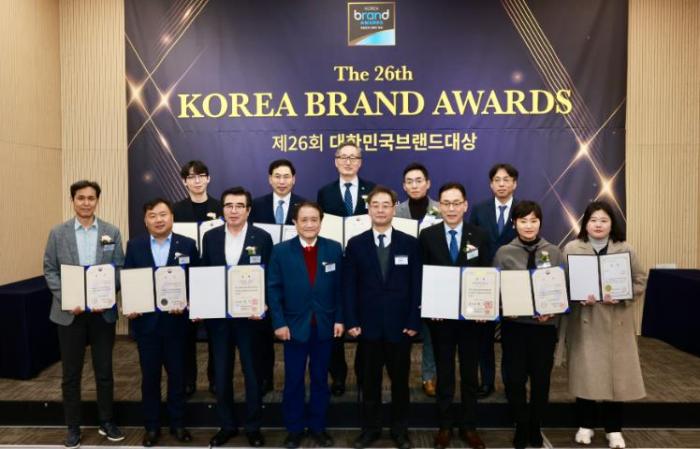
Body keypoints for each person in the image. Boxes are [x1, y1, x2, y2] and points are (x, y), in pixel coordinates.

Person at [43, 180, 126, 448]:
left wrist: (106, 295)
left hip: (102, 313)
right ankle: (73, 426)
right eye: (81, 198)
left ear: (97, 201)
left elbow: (119, 268)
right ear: (73, 200)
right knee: (71, 373)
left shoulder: (111, 232)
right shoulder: (58, 233)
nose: (86, 203)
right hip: (70, 313)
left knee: (104, 370)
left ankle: (106, 421)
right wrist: (68, 299)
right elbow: (50, 270)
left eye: (91, 198)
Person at [563, 201, 647, 449]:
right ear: (585, 223)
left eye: (603, 220)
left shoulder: (625, 249)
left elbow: (640, 280)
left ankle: (614, 429)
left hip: (616, 323)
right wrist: (576, 295)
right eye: (593, 220)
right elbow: (562, 283)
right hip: (585, 321)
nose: (598, 225)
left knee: (616, 377)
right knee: (585, 375)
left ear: (612, 224)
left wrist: (623, 295)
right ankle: (585, 425)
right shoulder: (572, 248)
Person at [344, 186, 421, 449]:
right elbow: (349, 286)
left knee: (400, 383)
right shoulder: (356, 244)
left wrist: (413, 320)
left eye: (385, 205)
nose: (380, 210)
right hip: (368, 327)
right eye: (375, 205)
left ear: (393, 209)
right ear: (368, 209)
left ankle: (400, 430)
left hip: (400, 327)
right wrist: (352, 321)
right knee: (369, 383)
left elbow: (416, 285)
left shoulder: (410, 243)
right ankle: (370, 429)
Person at [267, 201, 344, 449]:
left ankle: (318, 426)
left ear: (321, 222)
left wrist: (340, 318)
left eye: (314, 220)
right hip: (293, 327)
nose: (309, 224)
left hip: (325, 325)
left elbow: (340, 289)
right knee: (294, 380)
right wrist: (279, 323)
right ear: (295, 223)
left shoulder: (334, 248)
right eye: (304, 220)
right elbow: (273, 290)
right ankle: (295, 428)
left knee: (320, 379)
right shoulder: (280, 251)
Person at [419, 182, 490, 449]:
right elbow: (422, 274)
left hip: (472, 319)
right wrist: (430, 306)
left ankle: (469, 426)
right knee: (445, 373)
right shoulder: (428, 235)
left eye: (456, 203)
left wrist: (485, 308)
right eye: (446, 203)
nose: (451, 208)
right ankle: (445, 425)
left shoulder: (479, 235)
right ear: (439, 206)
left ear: (465, 205)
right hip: (441, 320)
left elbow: (486, 272)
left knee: (470, 374)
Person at [201, 187, 273, 447]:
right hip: (219, 319)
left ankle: (253, 427)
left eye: (239, 206)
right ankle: (227, 425)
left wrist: (264, 303)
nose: (233, 210)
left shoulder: (262, 237)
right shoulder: (210, 237)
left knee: (252, 374)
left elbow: (269, 275)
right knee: (221, 374)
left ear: (248, 210)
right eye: (228, 205)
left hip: (250, 319)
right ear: (222, 209)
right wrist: (201, 304)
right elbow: (204, 274)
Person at [123, 198, 198, 447]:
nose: (158, 219)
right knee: (150, 378)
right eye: (152, 215)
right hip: (147, 326)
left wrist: (188, 302)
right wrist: (131, 304)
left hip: (177, 325)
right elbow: (129, 279)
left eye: (163, 214)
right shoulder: (135, 246)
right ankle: (152, 427)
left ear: (172, 217)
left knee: (178, 377)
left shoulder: (187, 245)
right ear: (145, 220)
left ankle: (178, 424)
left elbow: (195, 281)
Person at [492, 200, 564, 449]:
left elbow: (561, 289)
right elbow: (495, 290)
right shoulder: (504, 253)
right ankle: (521, 424)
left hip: (544, 329)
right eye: (523, 221)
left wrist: (552, 310)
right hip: (515, 328)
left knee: (541, 380)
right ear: (514, 223)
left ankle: (535, 424)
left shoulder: (554, 252)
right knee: (514, 380)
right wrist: (504, 309)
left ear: (540, 223)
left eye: (534, 220)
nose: (529, 225)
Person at [316, 139, 376, 396]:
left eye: (354, 157)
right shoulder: (325, 192)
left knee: (365, 319)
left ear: (360, 162)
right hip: (333, 261)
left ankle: (364, 374)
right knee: (335, 320)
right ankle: (338, 376)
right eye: (344, 157)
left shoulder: (372, 190)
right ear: (336, 161)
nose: (348, 162)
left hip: (365, 262)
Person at [249, 158, 306, 396]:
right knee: (263, 333)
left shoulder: (304, 206)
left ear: (294, 179)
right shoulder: (256, 205)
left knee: (298, 331)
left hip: (296, 274)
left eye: (286, 177)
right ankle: (265, 379)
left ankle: (299, 380)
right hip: (264, 273)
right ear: (270, 179)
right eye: (277, 176)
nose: (282, 181)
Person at [468, 163, 519, 399]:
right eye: (497, 180)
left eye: (506, 180)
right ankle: (487, 382)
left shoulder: (523, 210)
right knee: (483, 338)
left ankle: (511, 383)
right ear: (490, 184)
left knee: (512, 337)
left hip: (513, 282)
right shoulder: (479, 210)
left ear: (514, 184)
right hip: (485, 280)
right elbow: (471, 245)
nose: (501, 184)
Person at [172, 160, 221, 396]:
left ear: (208, 178)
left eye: (201, 175)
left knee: (216, 335)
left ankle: (215, 379)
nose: (197, 181)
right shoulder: (175, 210)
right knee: (185, 336)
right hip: (185, 277)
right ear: (184, 181)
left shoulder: (220, 207)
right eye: (191, 177)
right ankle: (188, 380)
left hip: (214, 277)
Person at [395, 163, 440, 397]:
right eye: (409, 181)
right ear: (404, 186)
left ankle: (429, 376)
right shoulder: (395, 211)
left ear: (428, 183)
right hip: (404, 279)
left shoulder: (441, 209)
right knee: (403, 330)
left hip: (434, 278)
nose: (414, 185)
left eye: (419, 180)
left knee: (432, 333)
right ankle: (399, 377)